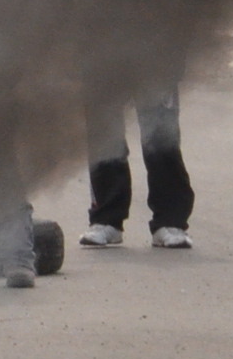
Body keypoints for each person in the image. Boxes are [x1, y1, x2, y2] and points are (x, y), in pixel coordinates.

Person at [79, 80, 196, 249]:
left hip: (155, 58)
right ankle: (106, 219)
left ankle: (170, 221)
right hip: (102, 58)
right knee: (104, 133)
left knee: (161, 135)